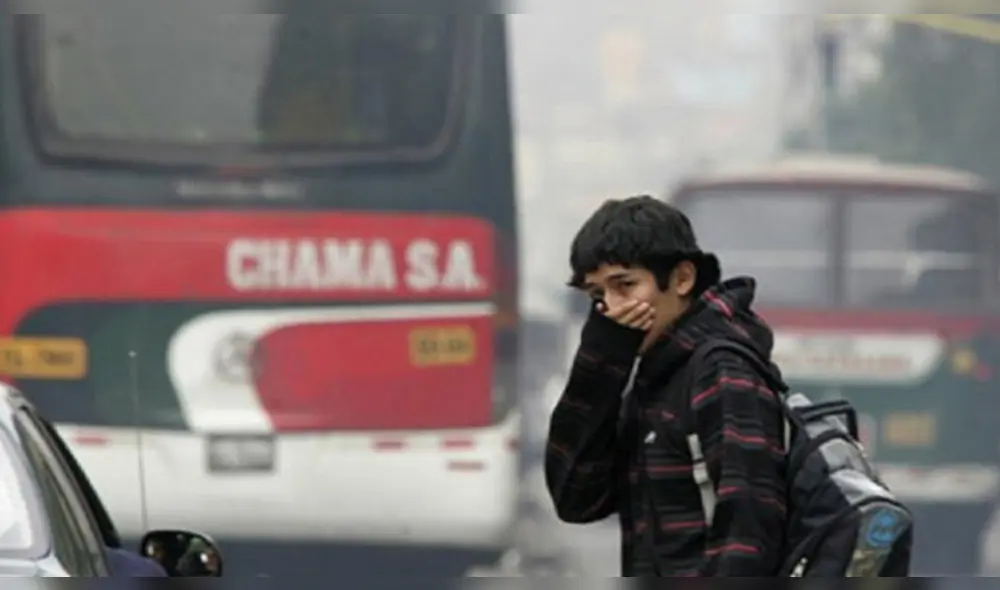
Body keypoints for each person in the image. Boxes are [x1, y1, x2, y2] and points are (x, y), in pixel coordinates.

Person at [545, 195, 786, 577]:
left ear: (682, 279)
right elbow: (576, 498)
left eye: (625, 285)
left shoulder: (720, 370)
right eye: (597, 296)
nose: (612, 308)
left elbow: (749, 530)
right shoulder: (654, 376)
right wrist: (601, 361)